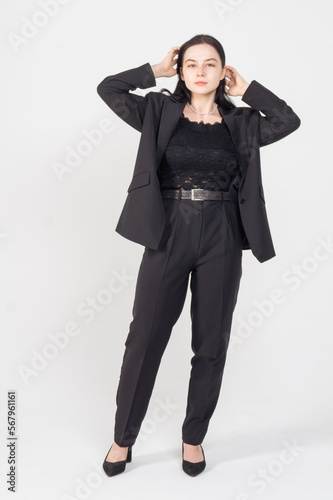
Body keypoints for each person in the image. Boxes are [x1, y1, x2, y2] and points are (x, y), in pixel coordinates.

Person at [97, 34, 301, 477]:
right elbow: (108, 88)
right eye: (192, 64)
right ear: (182, 70)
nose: (201, 71)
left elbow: (288, 120)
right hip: (168, 229)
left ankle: (194, 438)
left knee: (211, 344)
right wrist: (154, 70)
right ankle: (122, 438)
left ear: (223, 72)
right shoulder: (157, 111)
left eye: (211, 64)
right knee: (145, 338)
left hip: (224, 232)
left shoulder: (244, 122)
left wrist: (250, 91)